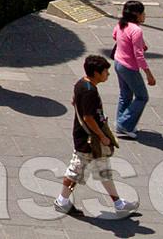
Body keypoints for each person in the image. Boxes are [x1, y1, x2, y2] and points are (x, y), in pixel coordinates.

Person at [56, 54, 134, 217]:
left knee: (103, 169)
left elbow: (75, 102)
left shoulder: (81, 84)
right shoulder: (89, 91)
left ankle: (118, 203)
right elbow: (88, 118)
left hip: (88, 138)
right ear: (96, 73)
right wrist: (102, 136)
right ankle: (62, 200)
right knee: (75, 172)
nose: (108, 74)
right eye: (105, 71)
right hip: (88, 139)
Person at [112, 0, 155, 138]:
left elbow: (115, 36)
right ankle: (124, 124)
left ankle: (121, 124)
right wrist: (149, 74)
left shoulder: (121, 24)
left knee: (125, 95)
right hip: (129, 67)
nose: (144, 15)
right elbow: (138, 55)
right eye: (143, 13)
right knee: (142, 97)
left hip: (118, 63)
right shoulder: (136, 30)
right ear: (137, 14)